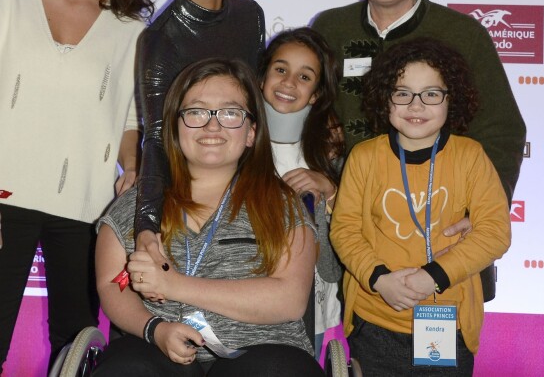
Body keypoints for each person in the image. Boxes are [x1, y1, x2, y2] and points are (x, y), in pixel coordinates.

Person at [311, 0, 525, 300]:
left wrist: (480, 215)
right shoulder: (330, 30)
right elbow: (309, 116)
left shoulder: (462, 34)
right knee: (367, 348)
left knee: (439, 356)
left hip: (442, 229)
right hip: (357, 230)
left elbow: (502, 130)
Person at [0, 0, 157, 372]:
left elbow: (130, 116)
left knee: (78, 348)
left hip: (85, 207)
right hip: (3, 196)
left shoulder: (129, 27)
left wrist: (132, 170)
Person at [94, 59, 324, 376]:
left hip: (264, 350)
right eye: (196, 112)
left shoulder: (283, 205)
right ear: (175, 127)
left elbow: (290, 299)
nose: (212, 125)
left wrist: (174, 286)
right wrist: (155, 329)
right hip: (156, 346)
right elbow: (111, 284)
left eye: (230, 113)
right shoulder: (135, 206)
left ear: (250, 133)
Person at [330, 38, 511, 376]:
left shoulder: (469, 156)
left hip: (448, 322)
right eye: (402, 93)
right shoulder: (365, 157)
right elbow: (344, 230)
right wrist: (379, 279)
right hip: (375, 321)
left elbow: (494, 232)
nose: (416, 106)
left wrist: (434, 276)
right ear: (385, 99)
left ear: (450, 99)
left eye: (431, 94)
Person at [134, 0, 265, 272]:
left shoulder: (250, 16)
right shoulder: (159, 40)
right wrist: (146, 223)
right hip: (188, 200)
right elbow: (156, 139)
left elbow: (254, 115)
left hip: (249, 190)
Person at [257, 27, 344, 360]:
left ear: (317, 94)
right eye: (280, 70)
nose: (289, 82)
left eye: (304, 77)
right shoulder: (230, 141)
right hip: (243, 287)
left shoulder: (329, 152)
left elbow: (353, 227)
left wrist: (331, 190)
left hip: (311, 298)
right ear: (262, 75)